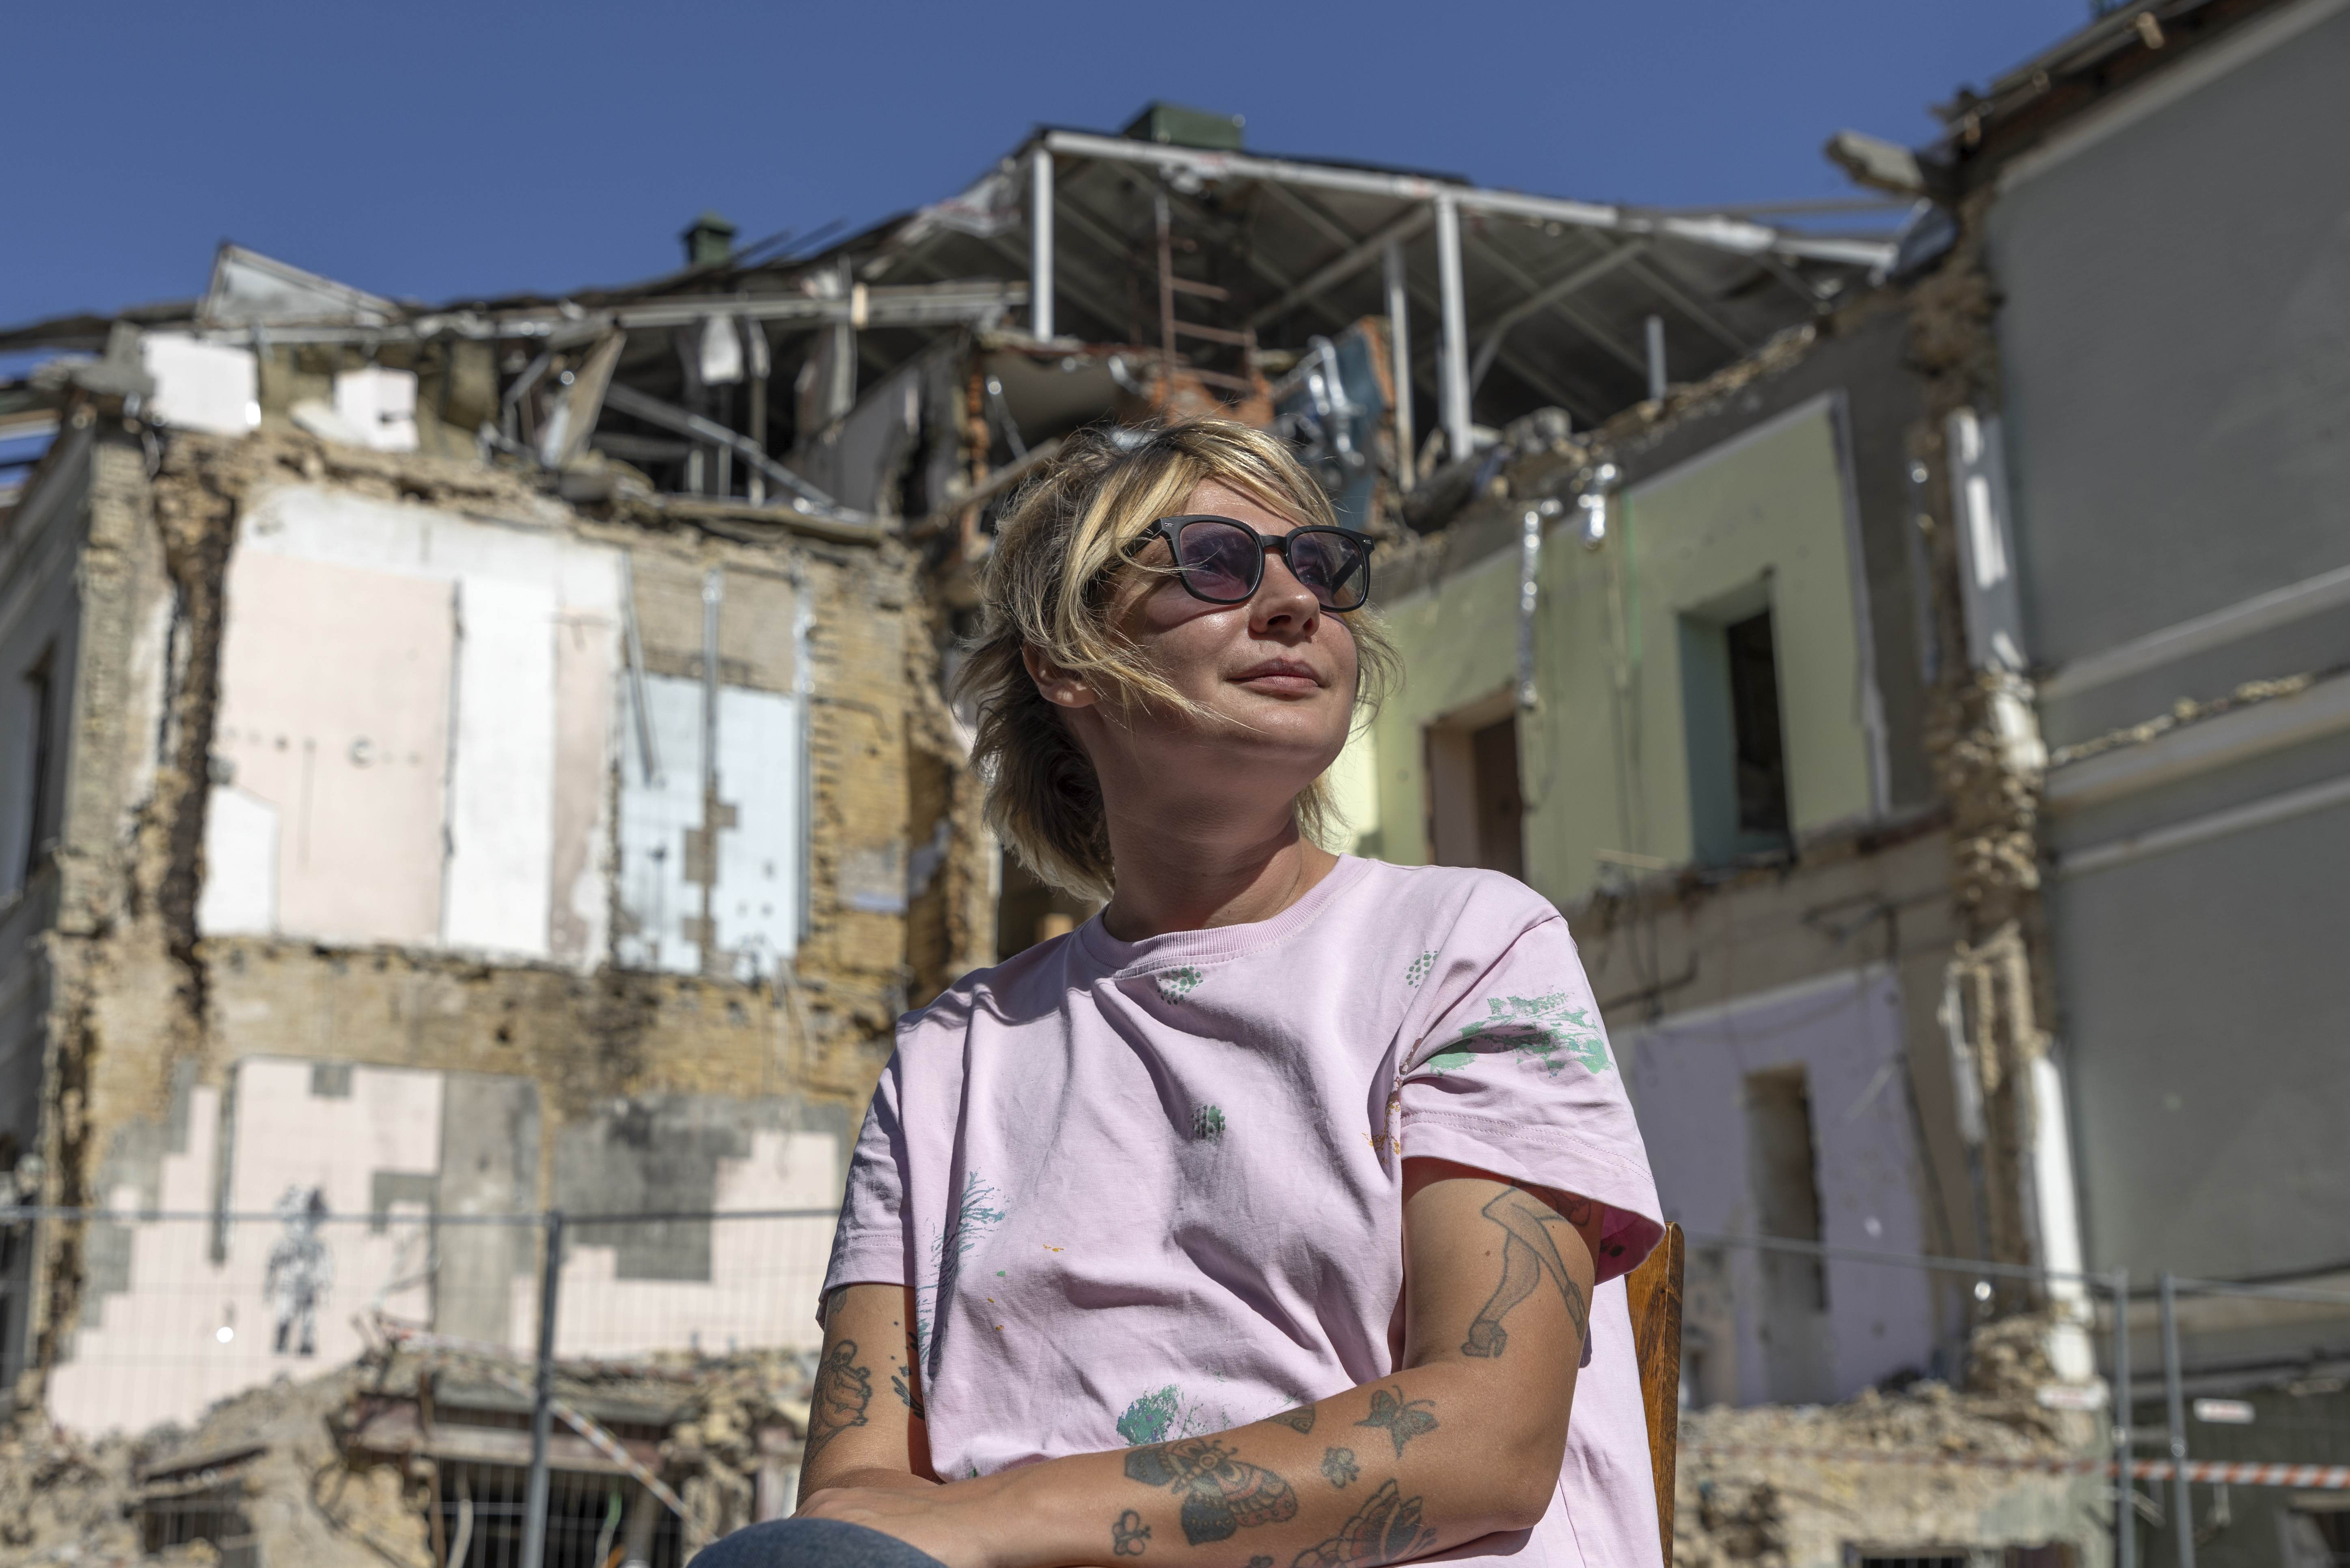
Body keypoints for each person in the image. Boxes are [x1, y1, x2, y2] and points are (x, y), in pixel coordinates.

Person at [696, 419, 1663, 1568]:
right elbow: (859, 1495)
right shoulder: (954, 1055)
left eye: (1320, 566)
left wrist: (1005, 1518)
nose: (1296, 601)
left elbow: (1488, 1442)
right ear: (1064, 661)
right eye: (1214, 561)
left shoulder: (1467, 947)